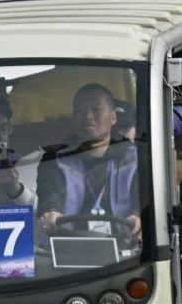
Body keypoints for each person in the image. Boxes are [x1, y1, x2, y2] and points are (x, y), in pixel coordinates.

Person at [36, 83, 140, 238]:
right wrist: (51, 211)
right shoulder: (55, 158)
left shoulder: (136, 157)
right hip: (67, 246)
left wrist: (138, 215)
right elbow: (49, 193)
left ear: (113, 117)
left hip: (127, 249)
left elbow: (143, 197)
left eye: (96, 110)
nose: (87, 116)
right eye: (79, 111)